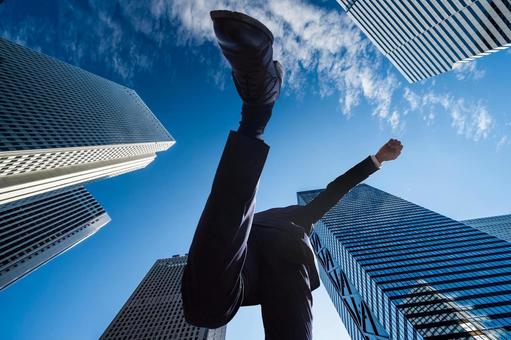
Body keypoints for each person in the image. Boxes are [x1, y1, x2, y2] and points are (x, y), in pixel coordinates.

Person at [181, 10, 403, 340]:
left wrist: (377, 160)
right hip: (245, 259)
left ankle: (256, 113)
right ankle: (258, 109)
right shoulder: (255, 223)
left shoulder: (301, 217)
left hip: (286, 261)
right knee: (204, 309)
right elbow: (232, 216)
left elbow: (335, 190)